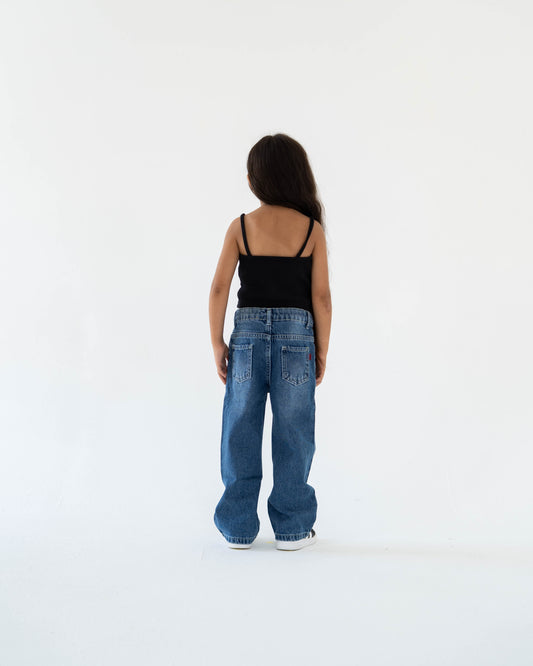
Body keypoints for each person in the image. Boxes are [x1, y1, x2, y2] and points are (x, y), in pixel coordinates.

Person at [208, 133, 332, 551]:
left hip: (245, 339)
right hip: (297, 340)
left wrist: (217, 343)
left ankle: (238, 528)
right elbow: (321, 298)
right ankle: (292, 529)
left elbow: (219, 288)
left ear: (254, 180)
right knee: (294, 431)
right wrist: (321, 349)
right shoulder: (311, 230)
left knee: (239, 427)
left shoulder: (241, 227)